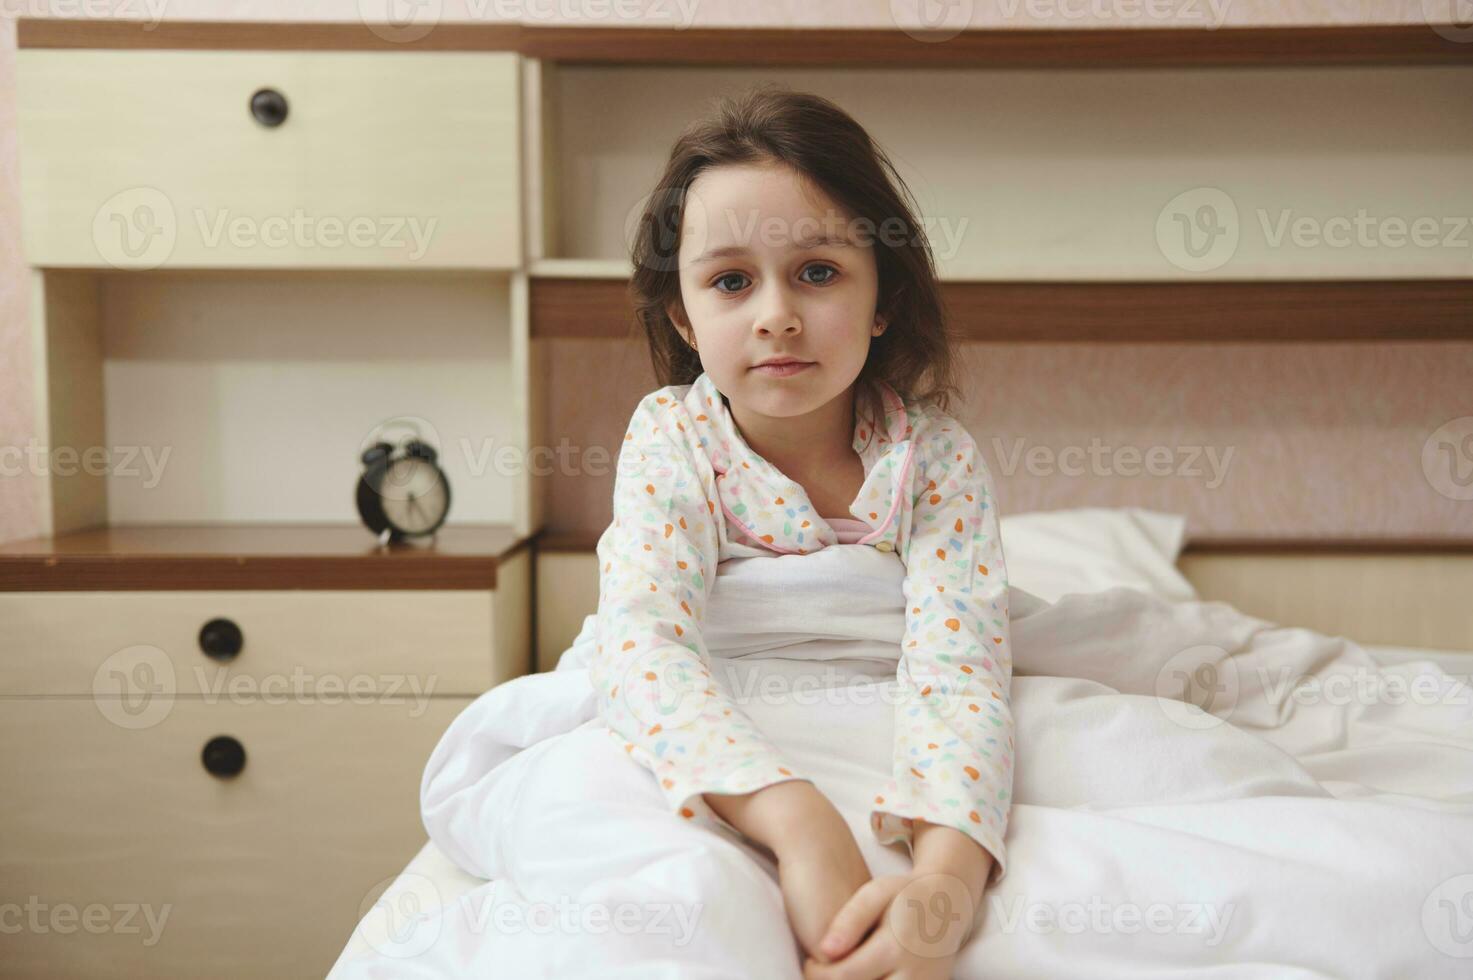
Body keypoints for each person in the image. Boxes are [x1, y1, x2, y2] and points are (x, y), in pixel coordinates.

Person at [584, 83, 1015, 979]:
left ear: (881, 298)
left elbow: (958, 666)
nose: (775, 313)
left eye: (817, 273)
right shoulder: (672, 436)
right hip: (728, 718)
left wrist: (945, 882)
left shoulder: (934, 458)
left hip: (890, 701)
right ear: (683, 318)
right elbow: (644, 642)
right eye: (730, 281)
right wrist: (798, 820)